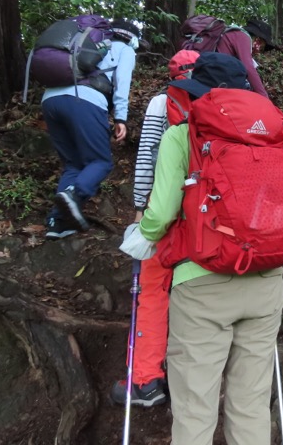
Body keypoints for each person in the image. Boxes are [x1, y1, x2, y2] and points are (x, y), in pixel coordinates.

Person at [119, 52, 283, 445]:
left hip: (203, 282)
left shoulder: (183, 134)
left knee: (195, 409)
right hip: (265, 280)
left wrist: (140, 232)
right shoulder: (270, 137)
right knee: (251, 405)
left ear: (201, 93)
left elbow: (160, 215)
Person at [109, 49, 199, 407]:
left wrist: (140, 208)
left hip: (166, 211)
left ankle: (146, 381)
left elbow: (148, 154)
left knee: (152, 290)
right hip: (208, 218)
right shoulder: (219, 101)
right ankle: (193, 377)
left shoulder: (162, 102)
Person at [43, 18, 139, 239]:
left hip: (50, 99)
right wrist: (121, 118)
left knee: (73, 165)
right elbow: (122, 84)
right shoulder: (124, 49)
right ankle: (74, 195)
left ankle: (56, 224)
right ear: (131, 38)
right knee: (101, 161)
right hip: (84, 100)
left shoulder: (83, 43)